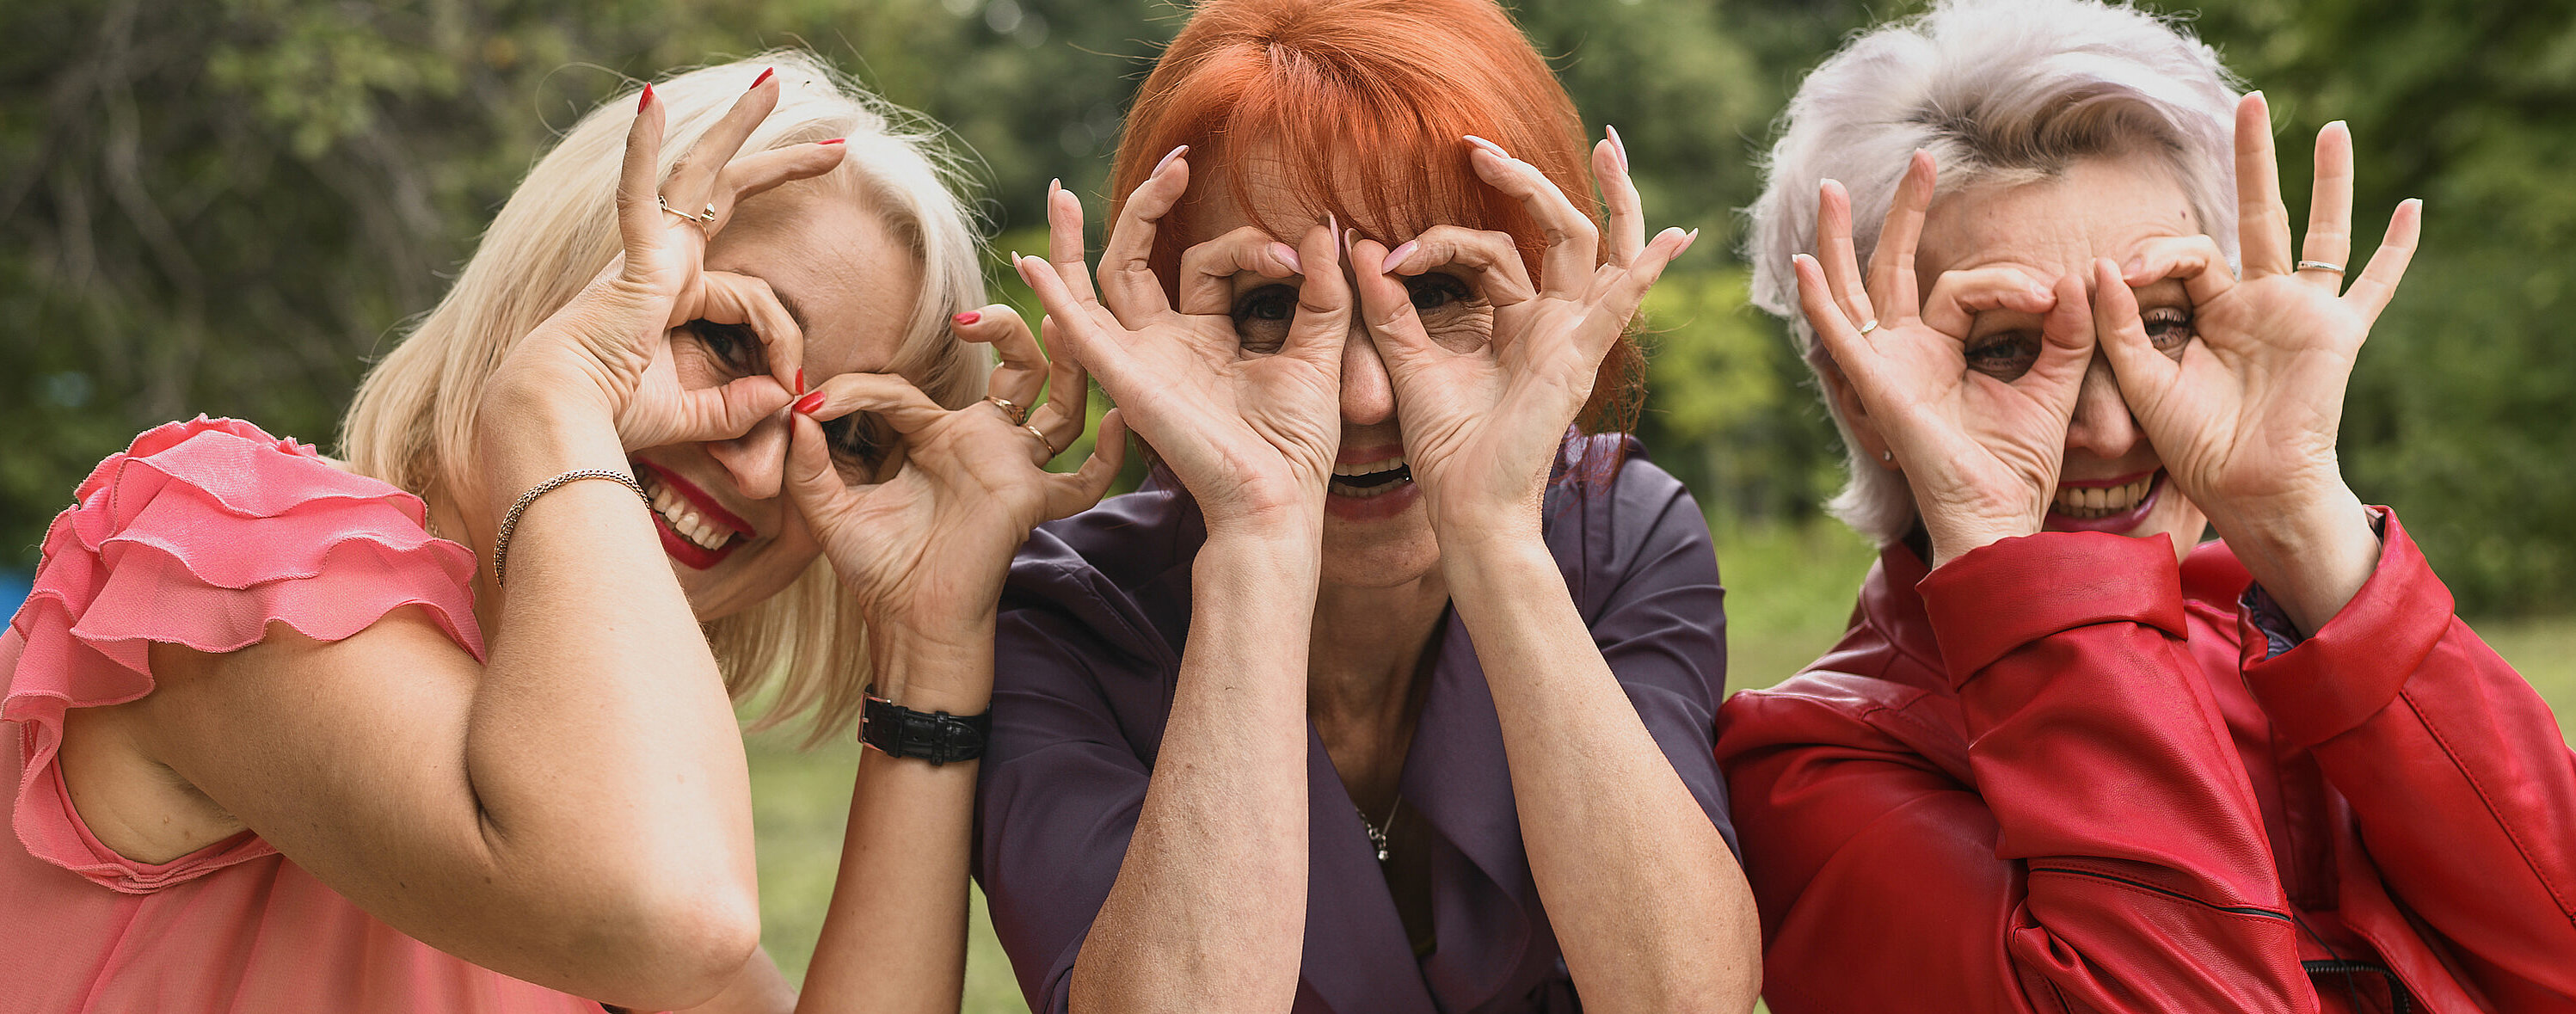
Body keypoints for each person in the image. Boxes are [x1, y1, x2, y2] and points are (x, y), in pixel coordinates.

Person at [1, 53, 1118, 1012]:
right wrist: (554, 401)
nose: (765, 460)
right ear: (574, 281)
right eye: (727, 338)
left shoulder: (613, 766)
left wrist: (932, 638)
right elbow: (662, 905)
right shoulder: (223, 535)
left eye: (855, 429)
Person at [1715, 0, 2576, 1010]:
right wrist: (2017, 565)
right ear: (1866, 396)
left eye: (2159, 324)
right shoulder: (1814, 774)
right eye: (2004, 347)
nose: (2111, 428)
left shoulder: (2283, 622)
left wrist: (2306, 527)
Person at [983, 0, 1763, 1011]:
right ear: (1161, 318)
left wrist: (1494, 537)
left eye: (1435, 290)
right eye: (1271, 307)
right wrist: (1257, 538)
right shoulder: (1064, 617)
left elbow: (1683, 997)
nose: (1363, 397)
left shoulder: (1617, 531)